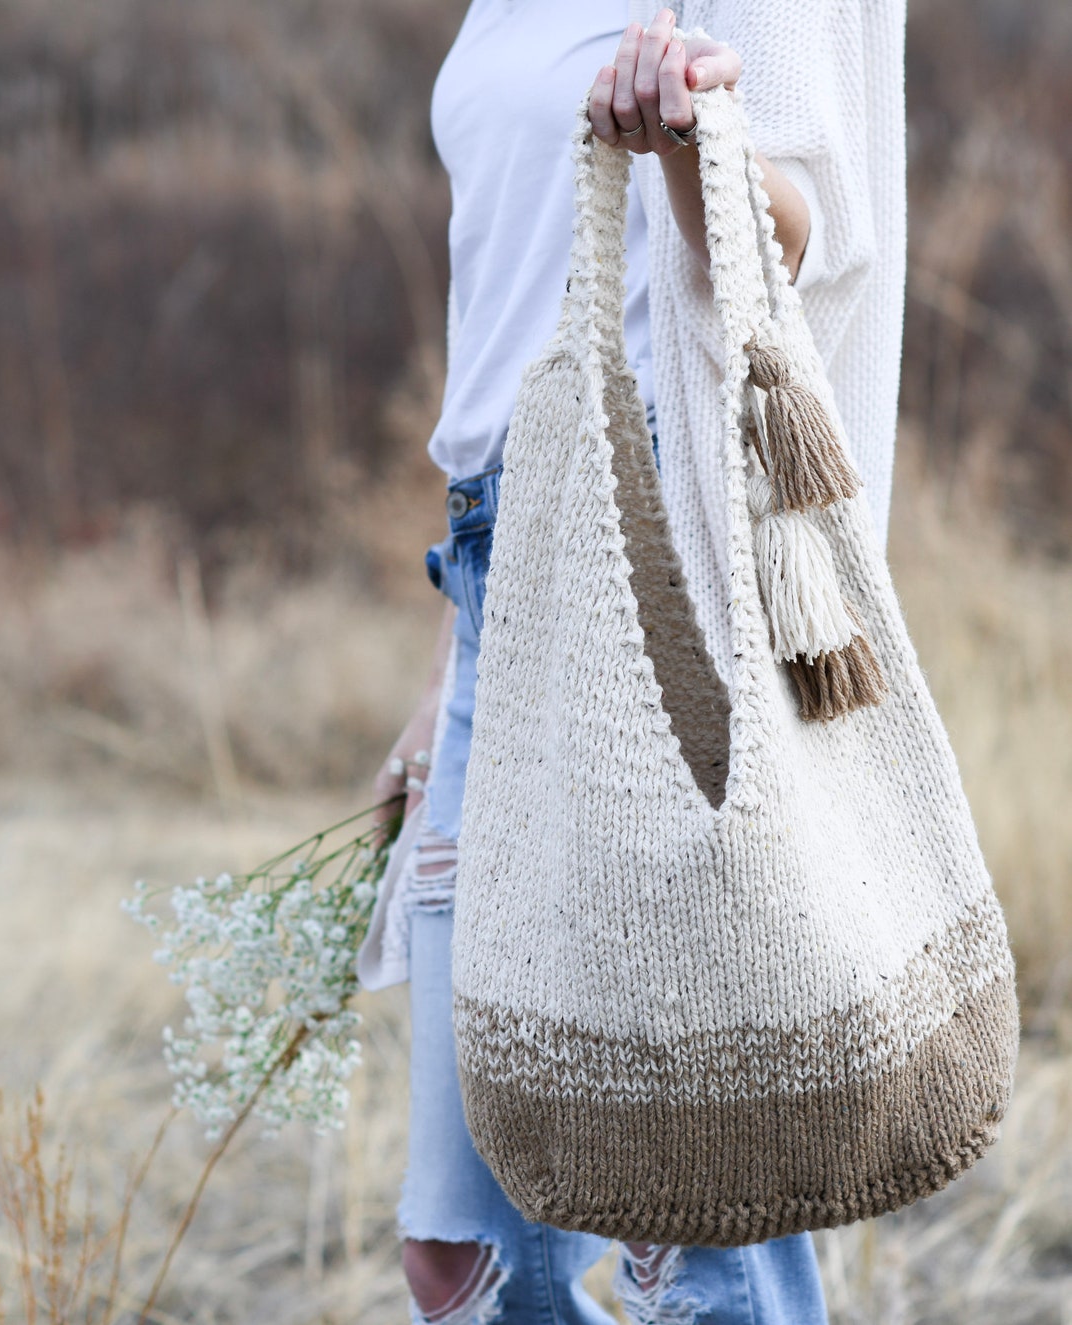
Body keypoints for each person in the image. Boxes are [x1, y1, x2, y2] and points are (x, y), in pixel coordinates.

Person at [361, 3, 908, 1322]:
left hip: (668, 563)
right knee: (463, 1251)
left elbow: (805, 243)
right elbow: (508, 298)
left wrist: (682, 140)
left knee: (696, 1225)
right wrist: (452, 667)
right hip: (501, 562)